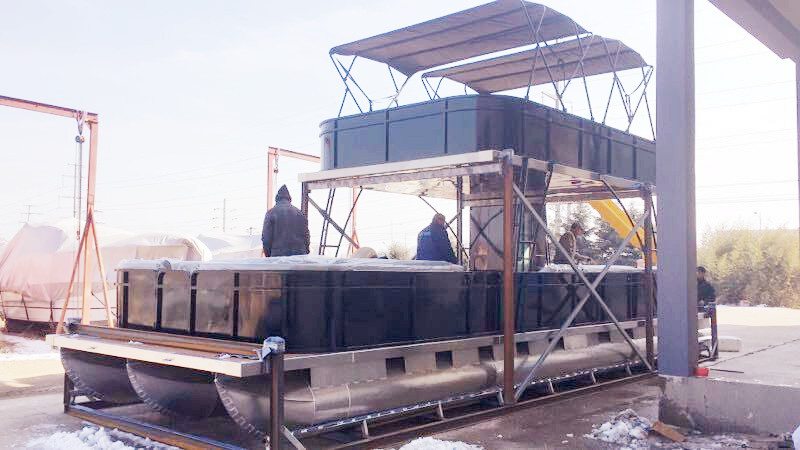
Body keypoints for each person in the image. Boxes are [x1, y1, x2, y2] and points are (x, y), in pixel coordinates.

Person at [261, 185, 310, 257]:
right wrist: (305, 252)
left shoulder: (271, 213)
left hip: (278, 258)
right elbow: (306, 237)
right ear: (289, 199)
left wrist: (269, 256)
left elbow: (266, 238)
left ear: (277, 199)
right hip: (299, 258)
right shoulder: (300, 213)